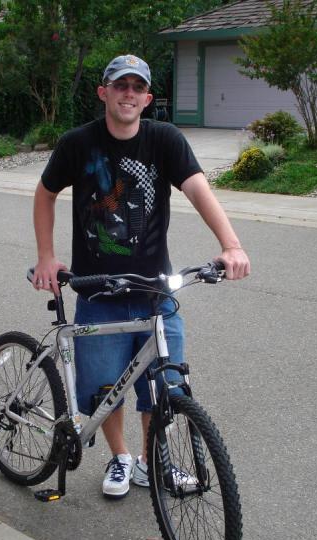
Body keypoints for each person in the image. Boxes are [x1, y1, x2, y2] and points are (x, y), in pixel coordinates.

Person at [32, 55, 250, 499]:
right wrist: (47, 256)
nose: (128, 94)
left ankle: (151, 464)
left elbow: (196, 188)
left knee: (163, 386)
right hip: (98, 292)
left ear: (147, 98)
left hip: (154, 292)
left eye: (137, 87)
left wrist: (231, 245)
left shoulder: (164, 140)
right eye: (120, 85)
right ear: (104, 92)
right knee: (106, 391)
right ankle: (120, 457)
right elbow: (46, 192)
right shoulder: (78, 144)